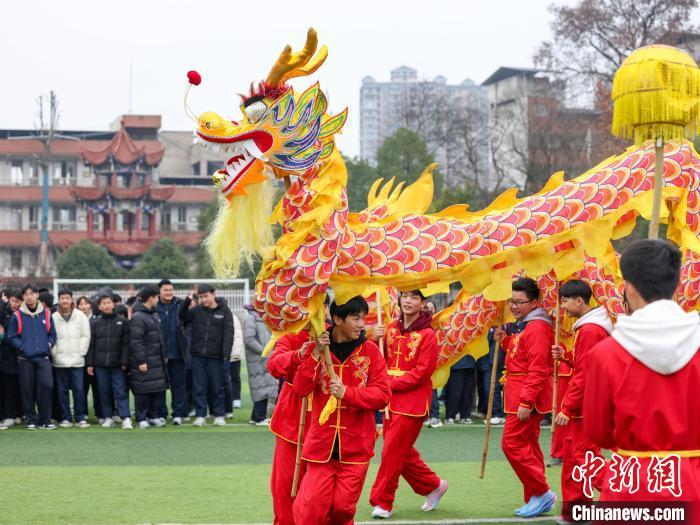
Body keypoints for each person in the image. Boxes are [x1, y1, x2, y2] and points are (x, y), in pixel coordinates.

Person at [584, 240, 700, 512]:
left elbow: (598, 432)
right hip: (693, 481)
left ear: (629, 288)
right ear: (675, 284)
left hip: (631, 482)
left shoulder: (605, 353)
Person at [292, 296, 391, 524]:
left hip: (356, 448)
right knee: (311, 509)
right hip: (320, 447)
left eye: (363, 318)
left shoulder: (371, 352)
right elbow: (300, 388)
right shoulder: (319, 347)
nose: (361, 324)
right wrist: (316, 353)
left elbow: (383, 395)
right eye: (356, 318)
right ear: (336, 318)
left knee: (343, 510)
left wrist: (347, 392)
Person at [370, 290, 448, 519]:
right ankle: (433, 485)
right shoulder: (390, 329)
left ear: (423, 303)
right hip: (388, 399)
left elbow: (422, 373)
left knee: (391, 451)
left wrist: (389, 383)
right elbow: (376, 358)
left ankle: (383, 501)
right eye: (405, 296)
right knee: (399, 451)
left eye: (414, 297)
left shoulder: (428, 335)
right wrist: (374, 338)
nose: (408, 301)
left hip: (412, 400)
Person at [550, 279, 612, 524]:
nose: (562, 306)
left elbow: (585, 373)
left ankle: (623, 494)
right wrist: (566, 356)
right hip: (588, 402)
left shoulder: (589, 329)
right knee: (576, 456)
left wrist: (568, 406)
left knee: (584, 457)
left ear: (579, 301)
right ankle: (576, 509)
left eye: (565, 300)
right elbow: (586, 365)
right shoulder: (588, 327)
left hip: (587, 404)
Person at [493, 277, 555, 518]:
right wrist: (506, 341)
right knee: (528, 446)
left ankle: (541, 491)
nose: (515, 306)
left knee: (511, 444)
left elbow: (538, 369)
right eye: (512, 301)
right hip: (518, 393)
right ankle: (535, 497)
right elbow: (521, 354)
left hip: (526, 397)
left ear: (534, 302)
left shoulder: (538, 327)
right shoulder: (526, 325)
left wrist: (526, 401)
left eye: (520, 302)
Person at [267, 329, 314, 525]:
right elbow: (274, 364)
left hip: (325, 422)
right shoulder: (290, 336)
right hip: (292, 419)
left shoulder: (334, 335)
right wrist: (298, 355)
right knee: (285, 484)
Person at [179, 284, 234, 427]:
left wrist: (226, 356)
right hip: (197, 356)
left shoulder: (225, 311)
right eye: (201, 297)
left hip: (216, 357)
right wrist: (187, 301)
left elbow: (229, 335)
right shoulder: (196, 310)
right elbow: (182, 316)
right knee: (199, 387)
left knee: (217, 387)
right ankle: (200, 416)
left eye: (206, 296)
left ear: (213, 294)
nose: (203, 300)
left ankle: (219, 415)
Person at [7, 284, 57, 429]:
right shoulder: (17, 315)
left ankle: (45, 421)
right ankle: (31, 420)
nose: (29, 296)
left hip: (43, 358)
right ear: (23, 297)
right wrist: (22, 347)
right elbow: (12, 336)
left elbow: (53, 334)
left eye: (32, 293)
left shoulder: (47, 314)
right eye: (26, 294)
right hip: (25, 359)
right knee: (27, 390)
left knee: (47, 386)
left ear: (37, 295)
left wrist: (48, 344)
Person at [86, 293, 133, 430]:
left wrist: (125, 362)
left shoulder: (122, 321)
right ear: (99, 306)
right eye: (104, 303)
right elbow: (92, 345)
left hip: (118, 365)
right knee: (104, 391)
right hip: (100, 365)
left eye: (109, 302)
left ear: (113, 304)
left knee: (120, 391)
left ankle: (125, 417)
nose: (107, 305)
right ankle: (108, 417)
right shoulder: (95, 323)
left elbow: (126, 344)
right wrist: (90, 363)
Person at [129, 285, 168, 429]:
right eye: (157, 297)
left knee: (155, 389)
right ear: (151, 298)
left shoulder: (153, 314)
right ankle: (141, 418)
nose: (158, 299)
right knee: (142, 390)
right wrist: (141, 361)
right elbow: (136, 341)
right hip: (145, 361)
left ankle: (153, 416)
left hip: (156, 360)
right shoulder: (138, 316)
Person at [51, 289, 91, 428]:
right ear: (59, 299)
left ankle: (80, 418)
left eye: (67, 298)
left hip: (77, 361)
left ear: (71, 299)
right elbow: (51, 336)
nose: (65, 301)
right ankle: (66, 418)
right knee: (61, 392)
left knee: (79, 390)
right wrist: (54, 353)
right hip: (59, 361)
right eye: (62, 298)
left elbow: (86, 335)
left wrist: (81, 352)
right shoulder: (54, 316)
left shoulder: (80, 316)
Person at [156, 279, 190, 425]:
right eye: (165, 290)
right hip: (159, 355)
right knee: (160, 386)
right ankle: (161, 414)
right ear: (159, 291)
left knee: (179, 386)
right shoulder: (154, 305)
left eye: (170, 290)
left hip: (178, 353)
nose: (168, 292)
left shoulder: (181, 304)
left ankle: (178, 414)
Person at [243, 304, 278, 425]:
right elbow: (249, 339)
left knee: (264, 386)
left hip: (264, 357)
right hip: (257, 359)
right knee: (259, 386)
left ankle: (257, 415)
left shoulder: (262, 318)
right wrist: (264, 351)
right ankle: (259, 416)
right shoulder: (250, 318)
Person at [0, 290, 23, 428]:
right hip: (6, 357)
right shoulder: (3, 312)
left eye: (17, 301)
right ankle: (8, 416)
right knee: (7, 388)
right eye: (12, 301)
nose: (14, 304)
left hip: (21, 356)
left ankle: (18, 413)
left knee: (18, 388)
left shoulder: (25, 315)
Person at [444, 353, 475, 424]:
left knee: (468, 392)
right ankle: (450, 416)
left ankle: (465, 415)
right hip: (456, 363)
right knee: (455, 391)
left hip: (471, 362)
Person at [224, 313, 244, 417]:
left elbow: (238, 337)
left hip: (234, 354)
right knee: (225, 378)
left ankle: (236, 399)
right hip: (225, 354)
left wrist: (235, 352)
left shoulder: (232, 317)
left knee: (235, 376)